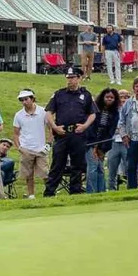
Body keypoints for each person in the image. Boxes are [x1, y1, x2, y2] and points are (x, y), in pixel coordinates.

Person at [44, 67, 96, 197]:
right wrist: (54, 127)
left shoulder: (86, 95)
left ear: (79, 78)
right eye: (68, 78)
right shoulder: (59, 94)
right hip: (62, 134)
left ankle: (75, 192)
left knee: (77, 165)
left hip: (78, 134)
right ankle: (49, 192)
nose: (70, 80)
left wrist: (85, 126)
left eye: (73, 78)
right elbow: (49, 112)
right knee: (57, 164)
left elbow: (93, 114)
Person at [12, 88, 49, 199]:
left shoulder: (43, 112)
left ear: (32, 99)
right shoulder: (18, 115)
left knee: (45, 173)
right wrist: (19, 147)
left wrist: (49, 144)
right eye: (22, 100)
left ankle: (49, 192)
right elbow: (15, 134)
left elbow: (51, 129)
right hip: (26, 148)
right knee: (28, 174)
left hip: (41, 148)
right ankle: (31, 194)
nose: (24, 102)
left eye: (26, 99)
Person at [84, 88, 120, 194]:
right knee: (93, 167)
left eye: (112, 97)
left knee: (100, 168)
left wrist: (102, 149)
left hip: (103, 144)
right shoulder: (94, 109)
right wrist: (94, 146)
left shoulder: (115, 113)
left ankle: (101, 192)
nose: (109, 99)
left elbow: (110, 132)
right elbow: (91, 127)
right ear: (102, 97)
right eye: (107, 97)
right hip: (90, 142)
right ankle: (91, 193)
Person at [105, 89, 131, 191]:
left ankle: (131, 189)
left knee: (129, 168)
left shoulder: (131, 110)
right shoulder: (110, 111)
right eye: (121, 97)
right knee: (112, 169)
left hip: (127, 142)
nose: (123, 99)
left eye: (126, 97)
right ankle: (111, 190)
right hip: (113, 142)